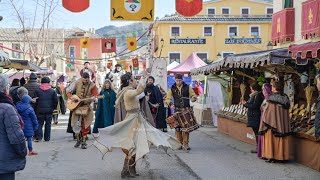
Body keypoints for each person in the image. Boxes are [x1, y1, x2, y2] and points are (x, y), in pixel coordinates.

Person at [94, 72, 181, 178]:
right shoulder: (128, 92)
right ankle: (127, 170)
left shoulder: (128, 91)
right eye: (134, 79)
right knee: (132, 146)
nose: (135, 80)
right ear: (130, 81)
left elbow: (140, 94)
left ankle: (129, 170)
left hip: (137, 118)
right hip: (132, 120)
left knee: (136, 144)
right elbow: (140, 90)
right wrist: (144, 77)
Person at [0, 74, 27, 180]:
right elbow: (16, 137)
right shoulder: (7, 108)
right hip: (4, 163)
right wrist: (23, 151)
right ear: (6, 88)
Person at [259, 80, 291, 163]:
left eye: (272, 86)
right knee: (282, 139)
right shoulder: (286, 98)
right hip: (282, 124)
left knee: (270, 139)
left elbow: (267, 111)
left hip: (271, 123)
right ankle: (282, 156)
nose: (271, 88)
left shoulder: (270, 98)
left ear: (275, 87)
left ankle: (271, 156)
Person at [165, 74, 197, 150]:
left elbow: (193, 95)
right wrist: (170, 103)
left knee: (186, 128)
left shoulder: (187, 87)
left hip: (186, 110)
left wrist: (193, 98)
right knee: (178, 128)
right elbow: (168, 98)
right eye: (177, 80)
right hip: (177, 110)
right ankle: (179, 143)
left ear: (182, 80)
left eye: (180, 80)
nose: (178, 82)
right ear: (175, 80)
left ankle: (185, 143)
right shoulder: (172, 88)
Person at [67, 72, 98, 149]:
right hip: (76, 106)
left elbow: (96, 95)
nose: (86, 81)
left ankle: (84, 142)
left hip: (87, 107)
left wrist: (94, 98)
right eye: (84, 80)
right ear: (82, 78)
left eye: (87, 80)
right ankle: (78, 140)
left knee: (85, 125)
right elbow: (68, 91)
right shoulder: (76, 82)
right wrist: (71, 98)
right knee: (75, 124)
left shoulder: (93, 85)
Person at [241, 83, 264, 153]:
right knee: (255, 132)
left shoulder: (258, 96)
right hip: (253, 116)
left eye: (251, 88)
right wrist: (245, 104)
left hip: (255, 116)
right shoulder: (253, 96)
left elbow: (254, 106)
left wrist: (246, 104)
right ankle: (258, 147)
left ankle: (259, 147)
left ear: (254, 89)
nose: (250, 90)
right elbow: (251, 105)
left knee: (257, 132)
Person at [34, 77, 58, 142]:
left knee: (39, 123)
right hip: (49, 111)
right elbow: (56, 101)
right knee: (48, 124)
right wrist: (53, 107)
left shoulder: (37, 90)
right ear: (49, 82)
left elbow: (34, 101)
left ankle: (39, 137)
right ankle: (47, 138)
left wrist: (36, 108)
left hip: (39, 110)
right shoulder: (52, 91)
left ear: (41, 82)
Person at [16, 87, 39, 156]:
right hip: (28, 126)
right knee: (29, 139)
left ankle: (21, 151)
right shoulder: (30, 109)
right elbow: (34, 119)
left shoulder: (17, 106)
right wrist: (35, 126)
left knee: (20, 139)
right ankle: (30, 150)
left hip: (19, 125)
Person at [257, 83, 272, 158]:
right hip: (262, 117)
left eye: (264, 89)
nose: (263, 91)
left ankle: (265, 152)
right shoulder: (265, 98)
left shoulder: (269, 99)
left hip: (266, 119)